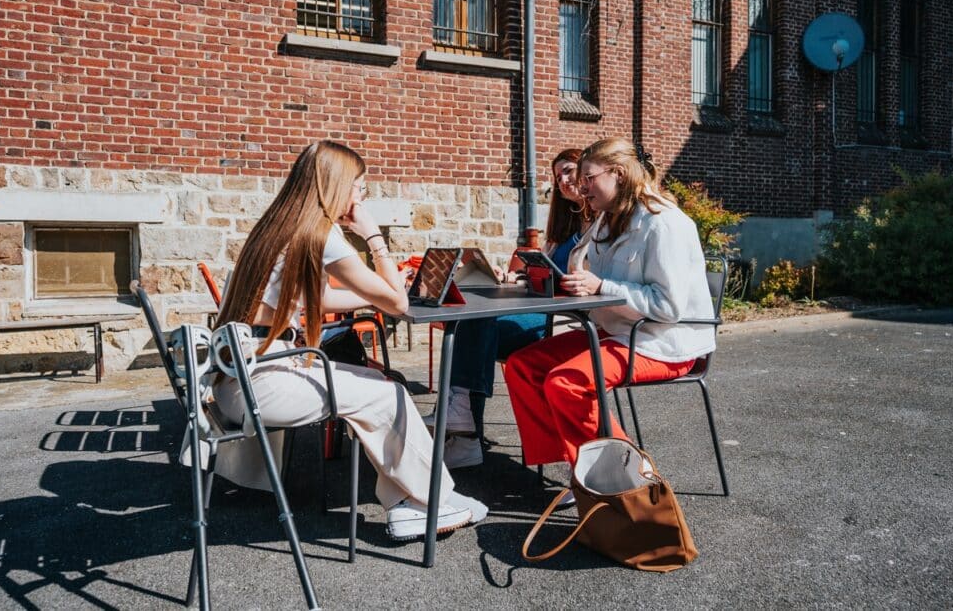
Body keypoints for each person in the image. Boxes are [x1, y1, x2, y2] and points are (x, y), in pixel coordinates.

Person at [211, 140, 486, 541]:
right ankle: (432, 504)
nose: (361, 196)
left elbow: (316, 299)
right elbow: (396, 304)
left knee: (378, 387)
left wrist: (371, 291)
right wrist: (373, 236)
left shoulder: (278, 227)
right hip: (262, 383)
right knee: (389, 393)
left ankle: (408, 502)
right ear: (336, 186)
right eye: (360, 187)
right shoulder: (323, 235)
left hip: (236, 377)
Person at [503, 137, 715, 470]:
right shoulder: (606, 220)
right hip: (617, 331)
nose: (582, 188)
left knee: (567, 382)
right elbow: (595, 285)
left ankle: (629, 478)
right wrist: (557, 282)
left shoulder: (664, 223)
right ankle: (575, 464)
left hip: (663, 341)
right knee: (523, 365)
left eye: (589, 178)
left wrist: (600, 285)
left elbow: (668, 307)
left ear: (617, 173)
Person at [428, 148, 591, 469]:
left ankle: (464, 432)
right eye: (559, 176)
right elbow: (544, 276)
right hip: (545, 311)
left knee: (478, 326)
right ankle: (463, 430)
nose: (564, 180)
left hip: (566, 322)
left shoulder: (599, 227)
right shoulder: (562, 230)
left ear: (588, 171)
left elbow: (582, 284)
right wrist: (515, 276)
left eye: (570, 171)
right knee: (471, 323)